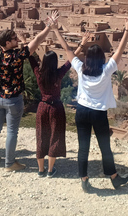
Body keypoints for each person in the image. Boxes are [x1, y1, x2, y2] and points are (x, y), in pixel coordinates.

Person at [53, 14, 128, 192]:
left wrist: (55, 30)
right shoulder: (106, 71)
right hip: (98, 114)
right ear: (102, 58)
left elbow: (67, 49)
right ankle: (113, 178)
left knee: (83, 148)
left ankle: (84, 179)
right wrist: (127, 29)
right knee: (104, 147)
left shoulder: (81, 69)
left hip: (82, 111)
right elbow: (119, 51)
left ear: (87, 58)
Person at [0, 9, 59, 172]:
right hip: (13, 100)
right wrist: (49, 27)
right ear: (8, 43)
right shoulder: (17, 56)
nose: (17, 40)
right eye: (14, 39)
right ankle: (9, 163)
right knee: (11, 131)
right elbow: (37, 40)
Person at [28, 31, 91, 178]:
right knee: (54, 137)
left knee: (41, 136)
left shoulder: (38, 73)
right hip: (56, 108)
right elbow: (71, 60)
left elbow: (30, 57)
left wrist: (26, 43)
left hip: (42, 107)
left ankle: (41, 170)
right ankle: (50, 170)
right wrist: (82, 44)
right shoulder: (59, 73)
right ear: (55, 62)